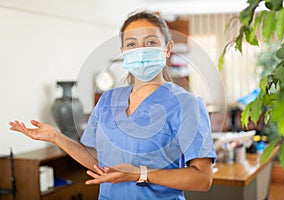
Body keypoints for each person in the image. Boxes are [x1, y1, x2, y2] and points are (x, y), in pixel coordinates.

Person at [9, 11, 216, 200]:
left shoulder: (187, 104)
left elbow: (202, 179)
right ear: (123, 51)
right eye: (132, 44)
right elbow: (98, 161)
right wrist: (56, 137)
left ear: (168, 49)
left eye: (151, 42)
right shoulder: (108, 100)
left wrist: (141, 173)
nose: (140, 51)